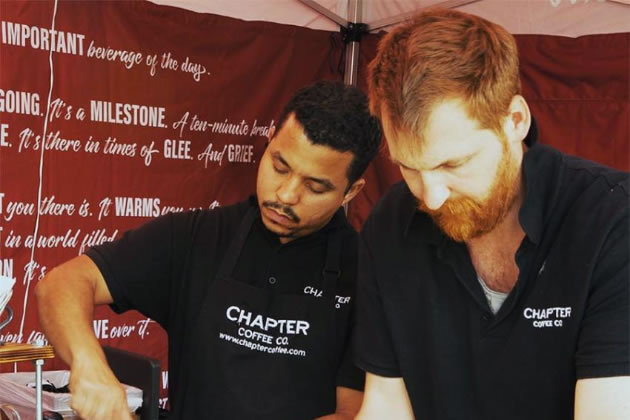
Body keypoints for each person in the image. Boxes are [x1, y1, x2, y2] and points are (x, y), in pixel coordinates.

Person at [35, 80, 382, 420]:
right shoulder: (195, 238)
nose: (287, 195)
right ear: (268, 144)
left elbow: (354, 411)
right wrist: (89, 364)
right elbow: (63, 283)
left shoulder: (367, 276)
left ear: (351, 192)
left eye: (315, 186)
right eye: (279, 166)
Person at [354, 9, 629, 420]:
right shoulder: (393, 220)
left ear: (515, 120)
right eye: (408, 167)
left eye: (453, 164)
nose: (430, 198)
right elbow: (385, 409)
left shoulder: (611, 219)